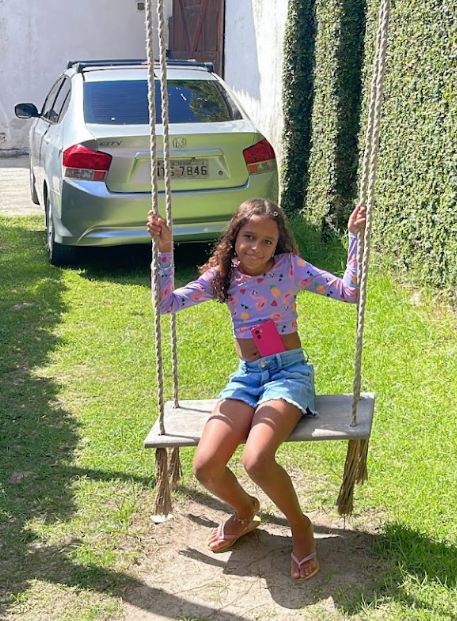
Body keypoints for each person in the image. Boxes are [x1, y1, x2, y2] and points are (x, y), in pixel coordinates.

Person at [147, 197, 366, 581]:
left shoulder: (290, 268)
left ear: (278, 244)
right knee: (205, 465)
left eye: (268, 241)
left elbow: (349, 292)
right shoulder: (223, 275)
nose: (257, 248)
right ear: (235, 236)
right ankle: (245, 510)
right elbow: (166, 304)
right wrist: (164, 250)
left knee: (256, 459)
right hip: (248, 377)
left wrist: (355, 238)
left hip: (288, 375)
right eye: (249, 236)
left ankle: (300, 524)